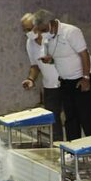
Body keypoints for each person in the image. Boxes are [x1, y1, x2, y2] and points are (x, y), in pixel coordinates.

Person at [32, 9, 91, 140]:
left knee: (86, 115)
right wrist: (50, 60)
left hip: (82, 77)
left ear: (51, 23)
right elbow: (61, 56)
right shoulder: (48, 37)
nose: (41, 33)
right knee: (70, 116)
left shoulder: (71, 32)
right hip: (65, 80)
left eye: (43, 29)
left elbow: (84, 54)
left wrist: (86, 79)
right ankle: (73, 147)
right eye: (39, 30)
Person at [20, 13, 64, 141]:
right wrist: (30, 79)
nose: (27, 33)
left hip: (64, 82)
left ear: (38, 26)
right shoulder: (30, 43)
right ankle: (57, 146)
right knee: (53, 119)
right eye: (25, 30)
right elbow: (35, 66)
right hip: (49, 86)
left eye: (29, 29)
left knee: (72, 118)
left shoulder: (52, 38)